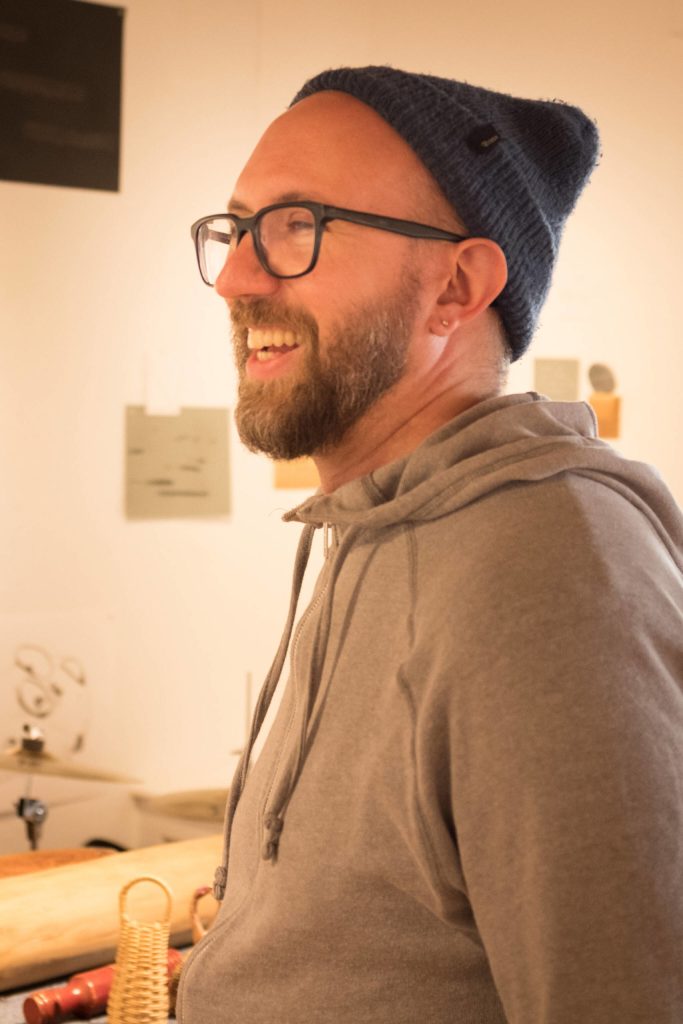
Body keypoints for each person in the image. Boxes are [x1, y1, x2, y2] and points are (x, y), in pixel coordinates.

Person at [178, 66, 683, 1023]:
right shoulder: (379, 532)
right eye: (237, 229)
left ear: (455, 284)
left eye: (298, 227)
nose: (239, 276)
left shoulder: (548, 570)